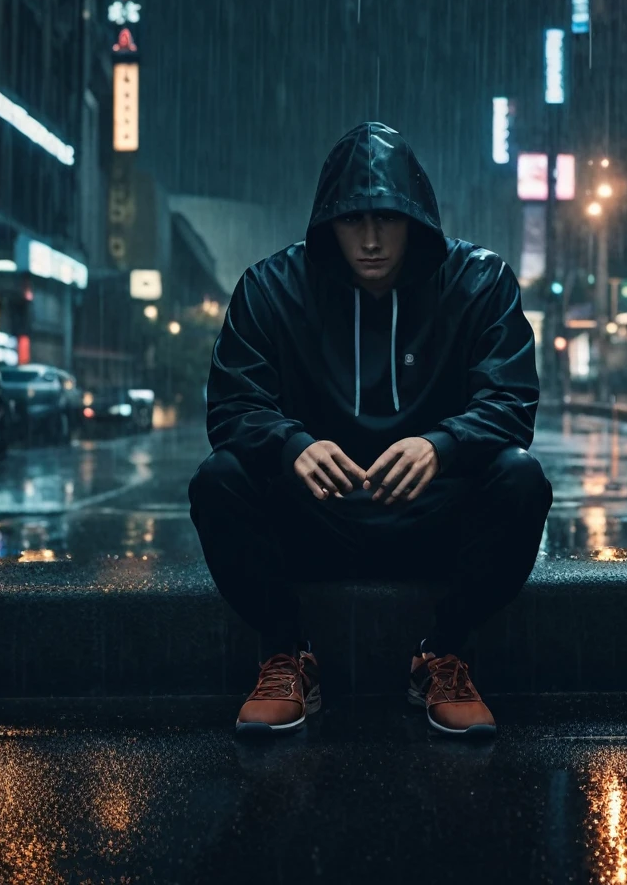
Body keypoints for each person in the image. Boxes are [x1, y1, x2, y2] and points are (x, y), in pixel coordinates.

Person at [189, 121, 552, 737]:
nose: (373, 240)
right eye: (354, 220)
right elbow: (231, 405)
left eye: (388, 218)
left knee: (521, 478)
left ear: (417, 218)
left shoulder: (479, 282)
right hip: (316, 519)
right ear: (328, 222)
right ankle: (286, 655)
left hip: (432, 519)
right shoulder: (270, 288)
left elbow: (512, 399)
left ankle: (442, 654)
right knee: (218, 480)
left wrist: (444, 444)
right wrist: (290, 443)